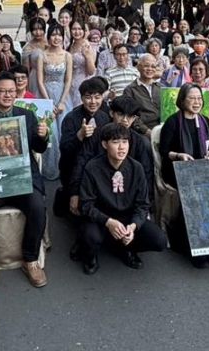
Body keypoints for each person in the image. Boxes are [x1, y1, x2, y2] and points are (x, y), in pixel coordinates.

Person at [0, 72, 49, 299]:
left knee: (37, 206)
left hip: (22, 179)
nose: (7, 95)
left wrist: (42, 137)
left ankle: (31, 259)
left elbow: (39, 149)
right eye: (2, 91)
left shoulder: (27, 116)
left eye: (11, 91)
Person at [77, 123, 167, 274]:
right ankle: (90, 255)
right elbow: (86, 205)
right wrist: (108, 222)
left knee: (159, 240)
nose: (121, 147)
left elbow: (143, 204)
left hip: (127, 217)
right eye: (115, 142)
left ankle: (127, 249)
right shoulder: (92, 167)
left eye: (125, 142)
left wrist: (133, 226)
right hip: (102, 217)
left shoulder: (136, 168)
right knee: (90, 236)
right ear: (105, 144)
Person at [159, 83, 209, 268]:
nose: (196, 102)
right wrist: (179, 155)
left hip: (202, 168)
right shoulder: (173, 121)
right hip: (179, 168)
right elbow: (164, 150)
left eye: (199, 99)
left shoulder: (205, 121)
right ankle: (195, 248)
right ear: (182, 100)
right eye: (192, 98)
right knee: (196, 195)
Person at [58, 77, 111, 220]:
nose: (93, 102)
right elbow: (65, 150)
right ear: (81, 98)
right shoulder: (71, 118)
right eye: (88, 97)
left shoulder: (105, 118)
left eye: (97, 97)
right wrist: (79, 136)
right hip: (73, 167)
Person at [37, 24, 73, 181]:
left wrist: (62, 101)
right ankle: (50, 169)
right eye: (53, 34)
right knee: (50, 135)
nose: (56, 38)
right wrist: (48, 103)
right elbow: (39, 80)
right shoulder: (42, 56)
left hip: (63, 97)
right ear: (48, 36)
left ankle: (66, 169)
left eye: (59, 35)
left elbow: (68, 80)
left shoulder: (67, 56)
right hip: (45, 95)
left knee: (64, 133)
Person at [122, 54, 161, 136]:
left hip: (162, 128)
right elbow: (131, 116)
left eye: (153, 66)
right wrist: (147, 132)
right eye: (146, 66)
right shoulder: (130, 90)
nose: (150, 69)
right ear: (138, 67)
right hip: (142, 131)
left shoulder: (161, 87)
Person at [67, 20, 96, 109]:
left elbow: (91, 71)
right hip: (70, 84)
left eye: (79, 29)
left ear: (84, 31)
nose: (77, 32)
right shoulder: (70, 46)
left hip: (84, 82)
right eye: (74, 29)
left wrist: (87, 57)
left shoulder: (88, 46)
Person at [22, 17, 48, 96]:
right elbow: (26, 69)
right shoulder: (28, 47)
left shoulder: (50, 42)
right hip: (35, 78)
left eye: (40, 29)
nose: (38, 32)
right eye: (34, 29)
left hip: (50, 76)